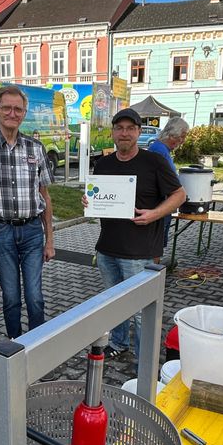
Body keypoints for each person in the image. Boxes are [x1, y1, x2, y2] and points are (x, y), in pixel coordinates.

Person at [92, 107, 186, 359]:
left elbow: (179, 195)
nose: (124, 133)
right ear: (113, 132)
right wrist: (89, 200)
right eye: (119, 128)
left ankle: (145, 361)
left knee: (140, 311)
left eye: (130, 129)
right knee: (114, 305)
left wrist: (154, 214)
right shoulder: (103, 164)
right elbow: (98, 196)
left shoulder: (154, 162)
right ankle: (119, 343)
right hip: (107, 249)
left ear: (138, 132)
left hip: (140, 251)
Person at [0, 85, 55, 339]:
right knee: (10, 298)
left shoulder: (35, 148)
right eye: (6, 107)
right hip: (2, 230)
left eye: (18, 109)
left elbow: (45, 196)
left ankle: (37, 345)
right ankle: (15, 347)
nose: (12, 113)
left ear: (24, 113)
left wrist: (50, 239)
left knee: (35, 297)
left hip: (32, 232)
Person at [148, 116, 189, 247]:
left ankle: (155, 266)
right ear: (172, 135)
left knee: (158, 243)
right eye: (182, 137)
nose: (183, 141)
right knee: (156, 244)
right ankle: (154, 267)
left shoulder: (163, 150)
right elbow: (163, 181)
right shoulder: (159, 151)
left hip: (164, 204)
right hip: (160, 204)